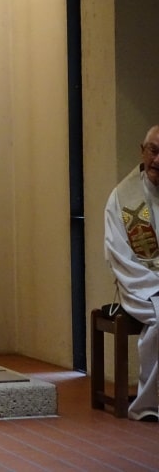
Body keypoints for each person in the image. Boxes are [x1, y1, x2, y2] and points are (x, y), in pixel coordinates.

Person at [104, 124, 159, 422]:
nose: (158, 160)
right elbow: (119, 255)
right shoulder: (124, 198)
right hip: (142, 287)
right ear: (142, 150)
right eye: (154, 151)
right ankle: (151, 404)